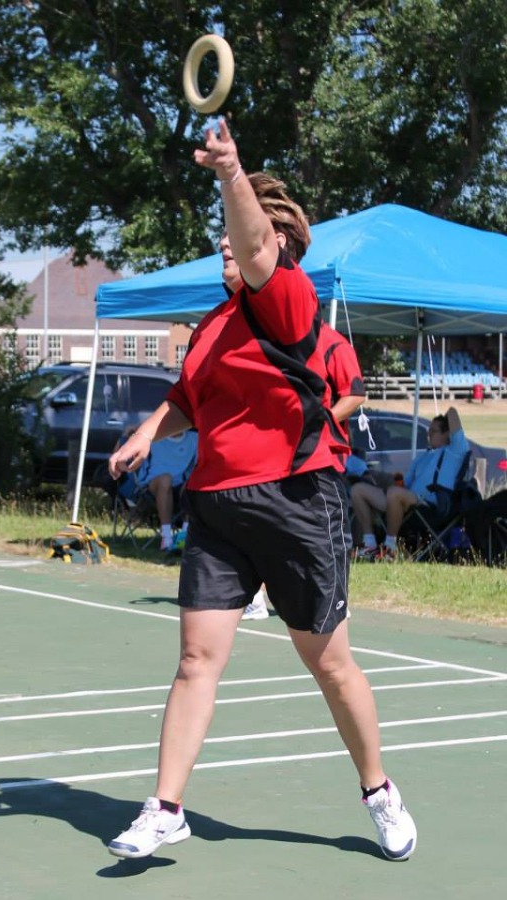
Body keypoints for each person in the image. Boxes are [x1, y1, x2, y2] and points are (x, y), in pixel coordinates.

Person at [107, 120, 417, 863]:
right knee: (196, 659)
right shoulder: (211, 326)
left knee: (330, 663)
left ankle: (378, 790)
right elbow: (188, 399)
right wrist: (149, 431)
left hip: (296, 503)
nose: (225, 245)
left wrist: (230, 172)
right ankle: (166, 807)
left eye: (238, 238)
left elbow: (253, 250)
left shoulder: (286, 301)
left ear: (277, 249)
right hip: (218, 504)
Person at [243, 322, 366, 621]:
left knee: (324, 534)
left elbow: (354, 395)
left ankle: (336, 599)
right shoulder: (274, 340)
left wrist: (317, 423)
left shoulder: (333, 343)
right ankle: (255, 599)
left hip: (321, 458)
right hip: (276, 455)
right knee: (265, 526)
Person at [351, 406, 468, 561]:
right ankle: (370, 545)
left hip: (432, 505)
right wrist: (386, 480)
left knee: (394, 494)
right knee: (358, 490)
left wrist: (445, 419)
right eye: (429, 431)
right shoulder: (423, 456)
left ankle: (390, 548)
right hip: (407, 501)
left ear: (447, 434)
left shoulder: (455, 451)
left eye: (433, 431)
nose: (429, 434)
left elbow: (452, 412)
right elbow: (404, 484)